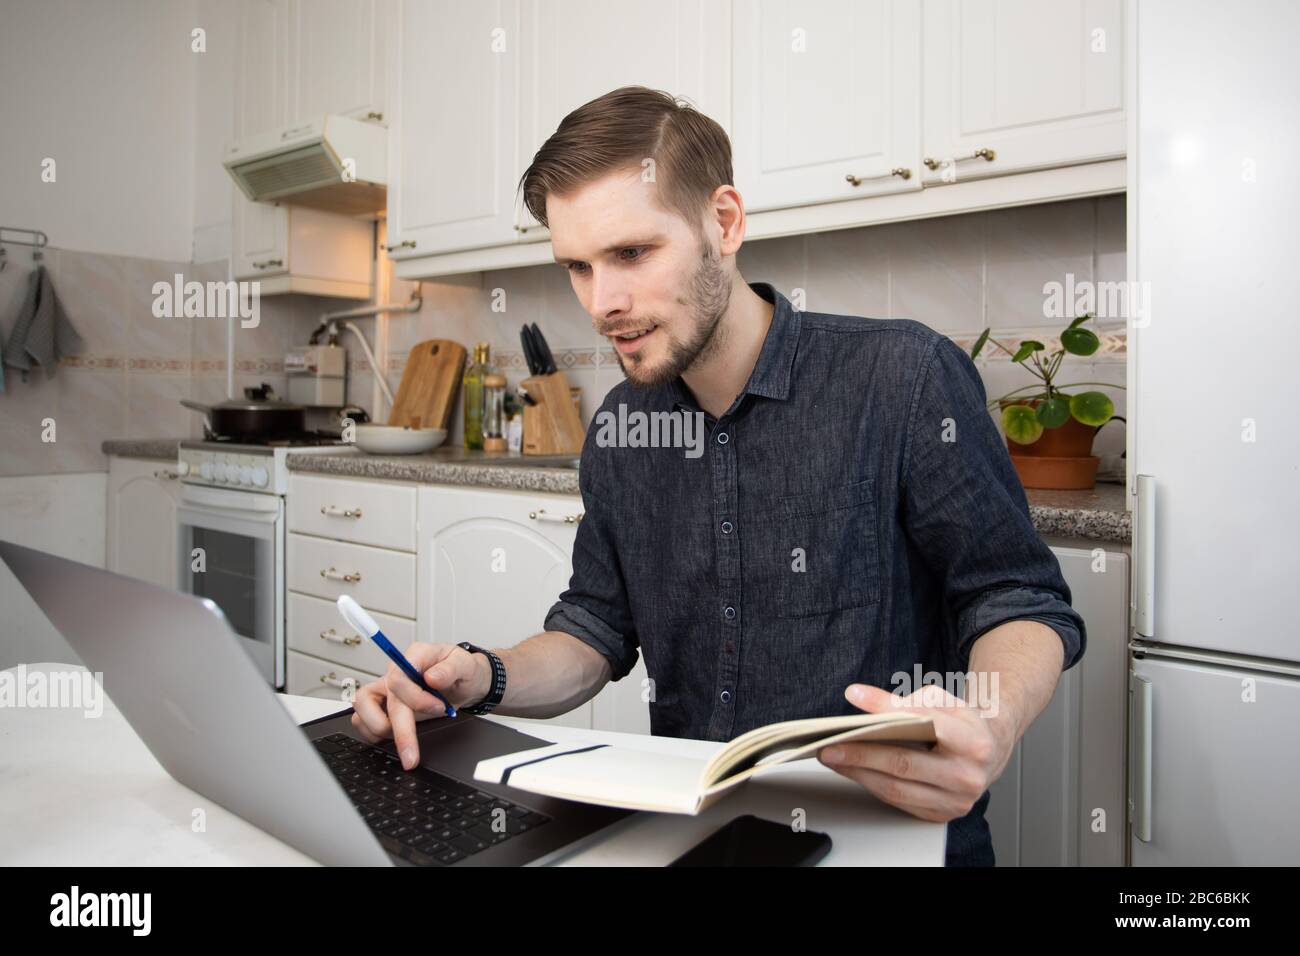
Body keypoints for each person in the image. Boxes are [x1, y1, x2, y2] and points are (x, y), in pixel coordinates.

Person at [351, 86, 1086, 866]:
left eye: (632, 254)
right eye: (577, 266)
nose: (603, 302)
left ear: (725, 223)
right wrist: (477, 676)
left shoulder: (902, 378)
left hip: (886, 841)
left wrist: (990, 722)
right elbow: (593, 630)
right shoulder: (623, 426)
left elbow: (1018, 598)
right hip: (697, 840)